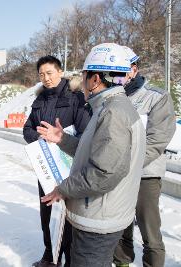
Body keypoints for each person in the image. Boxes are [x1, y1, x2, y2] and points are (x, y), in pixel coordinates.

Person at [37, 43, 146, 267]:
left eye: (84, 75)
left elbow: (104, 172)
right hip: (100, 215)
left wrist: (63, 188)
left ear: (95, 79)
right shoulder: (110, 108)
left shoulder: (113, 113)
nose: (82, 81)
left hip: (98, 221)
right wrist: (62, 139)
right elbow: (97, 154)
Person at [23, 55, 90, 267]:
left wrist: (61, 141)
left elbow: (85, 132)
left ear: (60, 72)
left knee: (68, 215)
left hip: (68, 165)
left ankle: (69, 259)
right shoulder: (39, 100)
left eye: (49, 73)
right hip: (45, 167)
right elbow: (27, 129)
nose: (46, 78)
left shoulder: (76, 98)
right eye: (42, 74)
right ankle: (50, 255)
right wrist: (42, 140)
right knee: (47, 211)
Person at [113, 47, 176, 267]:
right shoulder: (112, 97)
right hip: (117, 176)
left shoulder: (156, 97)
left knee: (149, 231)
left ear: (133, 69)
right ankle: (121, 263)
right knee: (120, 228)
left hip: (145, 175)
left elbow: (157, 140)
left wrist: (128, 164)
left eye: (121, 71)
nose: (116, 77)